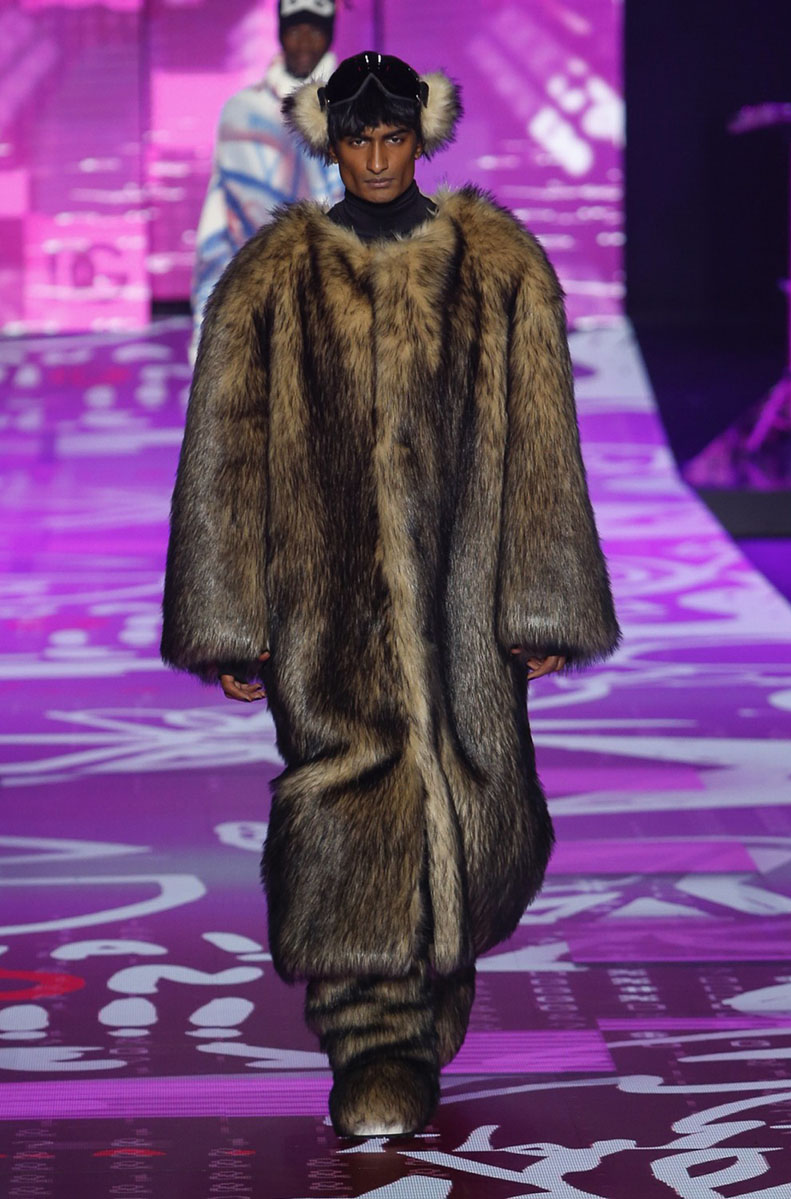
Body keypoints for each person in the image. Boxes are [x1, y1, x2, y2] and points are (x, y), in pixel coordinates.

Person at [162, 51, 620, 1138]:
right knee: (345, 795)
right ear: (330, 142)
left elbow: (543, 442)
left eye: (393, 136)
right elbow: (223, 452)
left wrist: (543, 598)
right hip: (322, 604)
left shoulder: (499, 266)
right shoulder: (270, 279)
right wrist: (229, 615)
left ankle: (431, 982)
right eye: (357, 138)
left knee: (477, 807)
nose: (375, 157)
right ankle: (374, 1043)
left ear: (423, 136)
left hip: (468, 597)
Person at [189, 0, 341, 361]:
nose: (304, 42)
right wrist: (205, 327)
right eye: (295, 30)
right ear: (280, 33)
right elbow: (219, 218)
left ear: (329, 35)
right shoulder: (243, 111)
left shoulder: (355, 113)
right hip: (259, 308)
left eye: (315, 31)